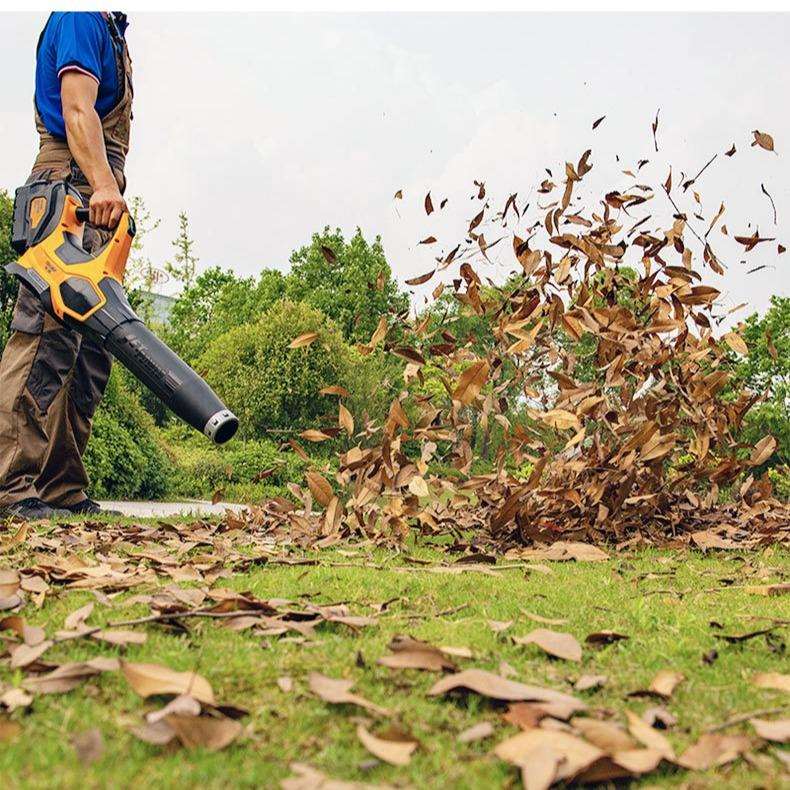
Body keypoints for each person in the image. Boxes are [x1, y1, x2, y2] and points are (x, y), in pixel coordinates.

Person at [0, 12, 132, 519]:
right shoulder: (80, 13)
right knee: (46, 340)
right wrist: (102, 183)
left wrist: (107, 188)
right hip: (71, 190)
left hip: (96, 194)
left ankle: (60, 487)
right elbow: (77, 109)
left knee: (91, 348)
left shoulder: (111, 27)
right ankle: (10, 486)